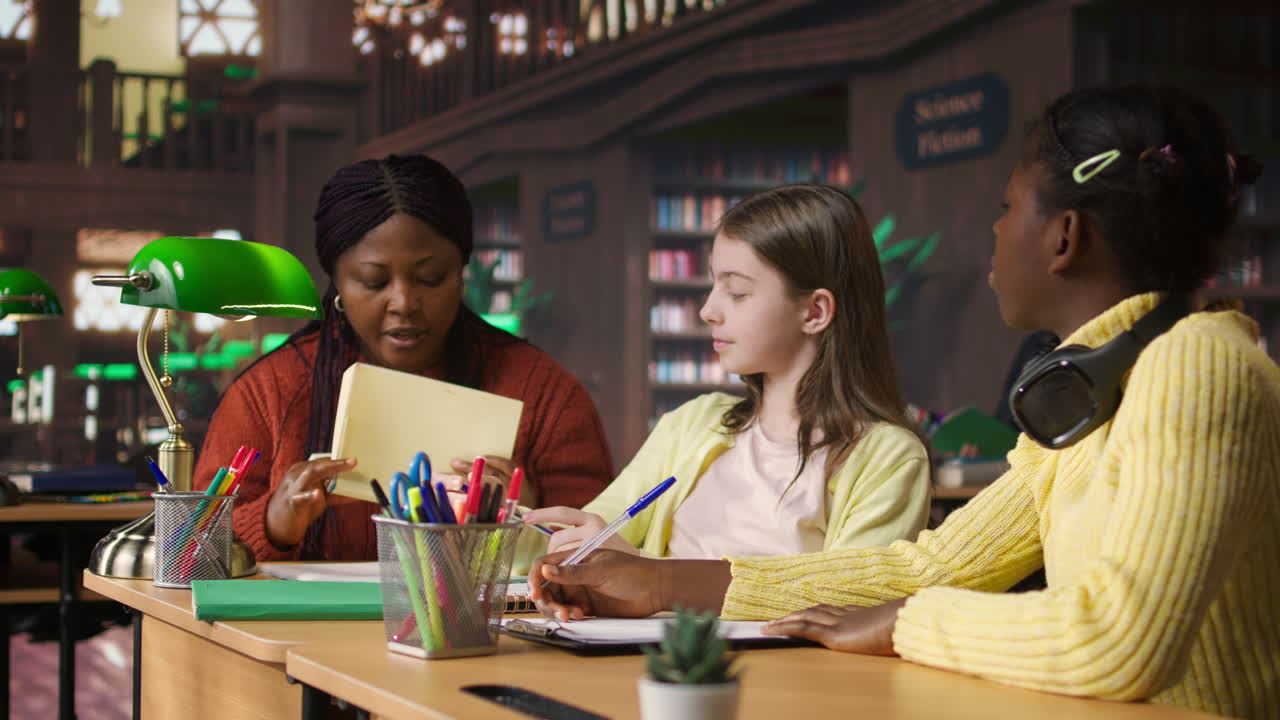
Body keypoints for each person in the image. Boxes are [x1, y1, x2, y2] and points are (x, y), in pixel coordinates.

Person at [528, 86, 1278, 718]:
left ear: (1065, 237)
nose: (993, 229)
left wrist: (903, 626)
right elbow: (935, 564)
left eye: (1008, 206)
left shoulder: (1198, 362)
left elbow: (1117, 642)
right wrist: (658, 584)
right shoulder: (1101, 387)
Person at [195, 154, 613, 561]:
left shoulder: (544, 394)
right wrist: (270, 523)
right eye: (374, 281)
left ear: (462, 273)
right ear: (336, 280)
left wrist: (526, 516)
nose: (404, 302)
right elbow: (186, 552)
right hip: (289, 635)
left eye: (430, 278)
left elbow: (605, 550)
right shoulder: (269, 393)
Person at [525, 184, 931, 560]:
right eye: (713, 285)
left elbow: (845, 600)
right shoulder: (692, 424)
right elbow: (589, 537)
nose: (708, 311)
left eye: (736, 292)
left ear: (815, 311)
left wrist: (649, 577)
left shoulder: (888, 458)